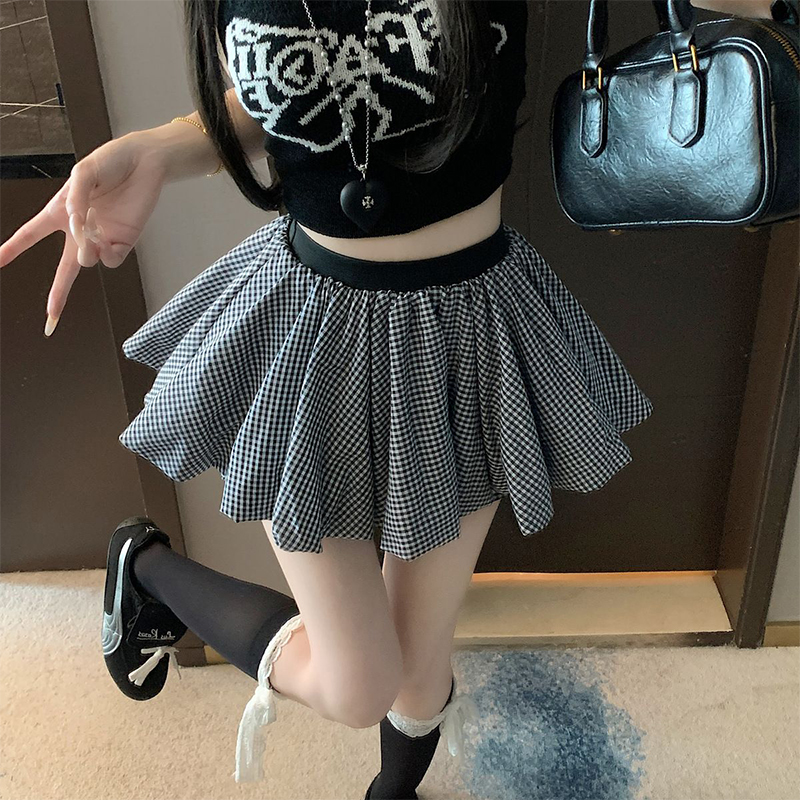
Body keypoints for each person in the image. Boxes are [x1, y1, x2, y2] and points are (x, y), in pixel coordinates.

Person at [3, 0, 781, 796]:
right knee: (358, 686)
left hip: (471, 332)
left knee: (418, 668)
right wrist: (157, 150)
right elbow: (285, 98)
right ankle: (147, 568)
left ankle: (393, 792)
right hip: (313, 334)